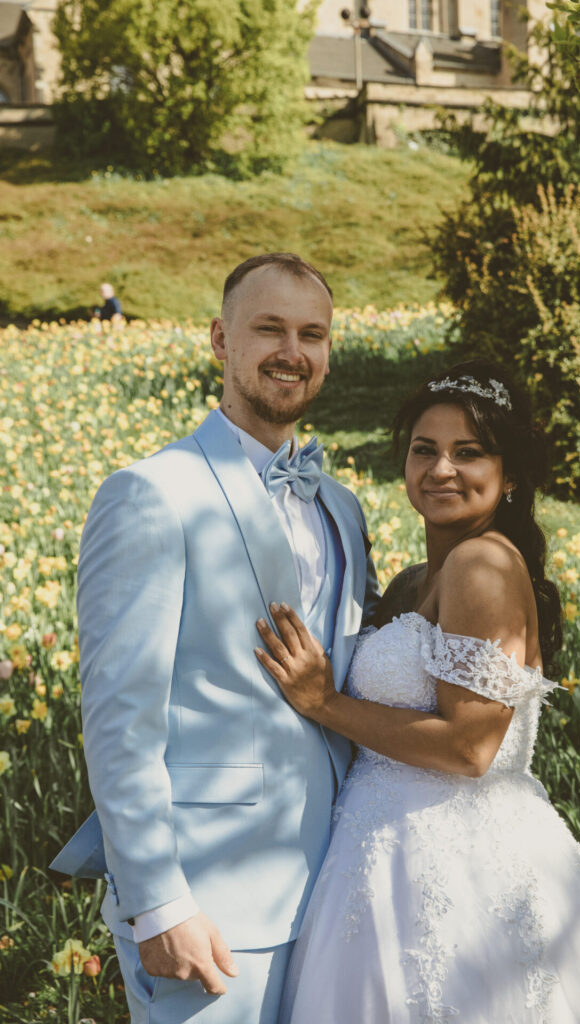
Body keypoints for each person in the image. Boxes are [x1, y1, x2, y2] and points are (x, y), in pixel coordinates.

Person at [256, 360, 580, 1024]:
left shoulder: (482, 564)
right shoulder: (413, 580)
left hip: (458, 870)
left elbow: (471, 748)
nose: (441, 468)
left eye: (467, 452)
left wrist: (322, 702)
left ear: (507, 477)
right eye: (425, 450)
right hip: (374, 860)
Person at [50, 252, 380, 1024]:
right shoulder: (150, 494)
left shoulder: (341, 506)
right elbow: (119, 715)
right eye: (268, 329)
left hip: (335, 888)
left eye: (311, 333)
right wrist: (158, 903)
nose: (291, 352)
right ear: (219, 341)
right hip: (208, 898)